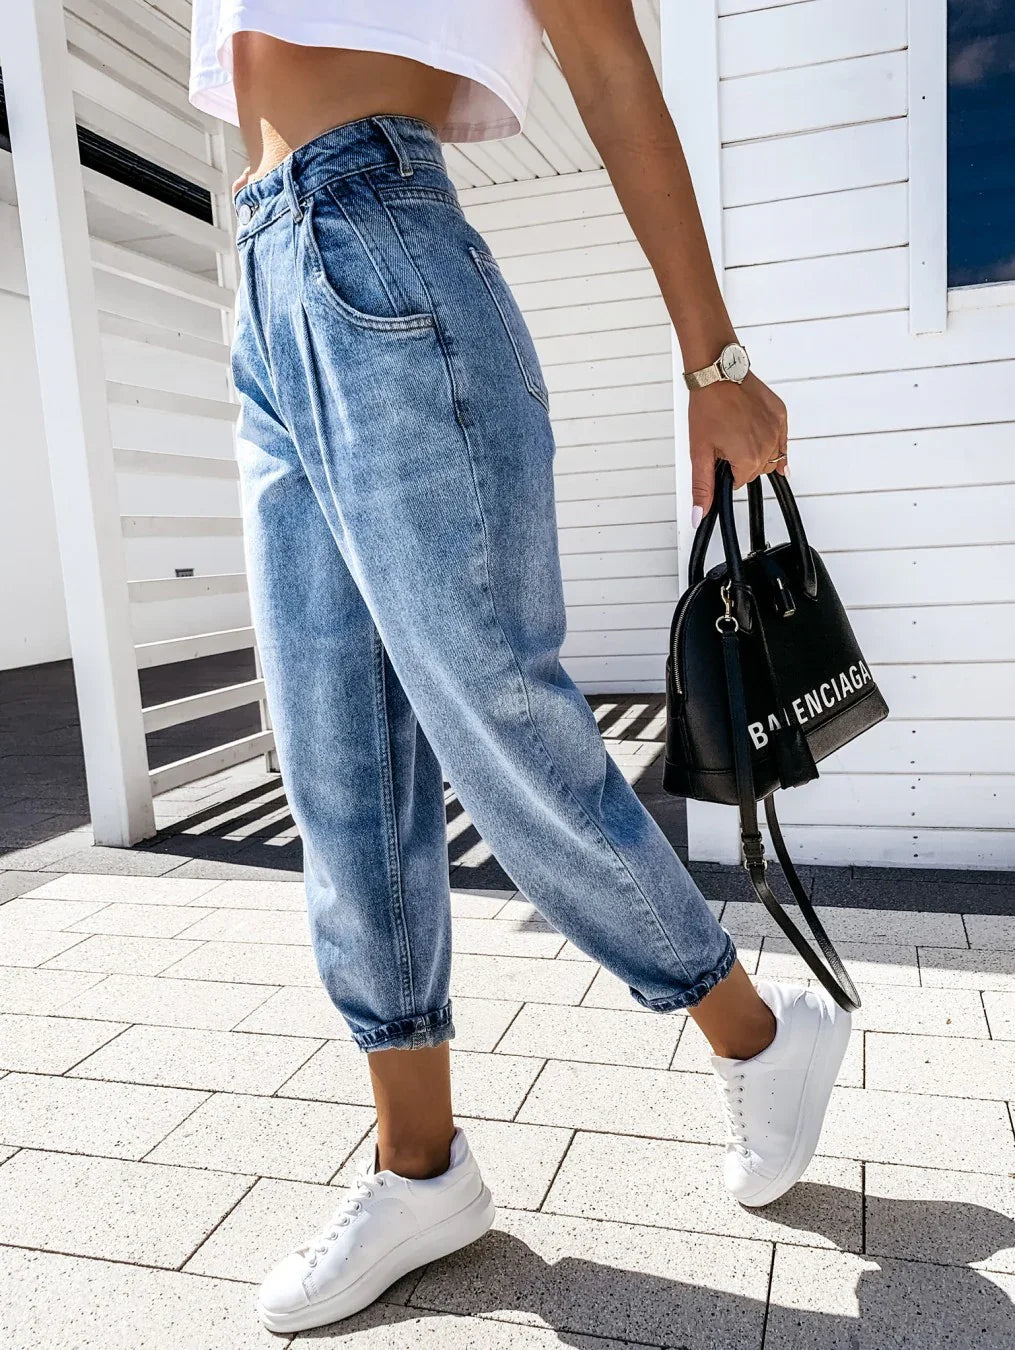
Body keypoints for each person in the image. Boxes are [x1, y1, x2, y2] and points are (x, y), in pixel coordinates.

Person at [188, 1, 851, 1334]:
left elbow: (604, 53)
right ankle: (419, 1170)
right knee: (337, 767)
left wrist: (711, 358)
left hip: (380, 246)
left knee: (500, 725)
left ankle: (759, 1030)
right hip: (266, 279)